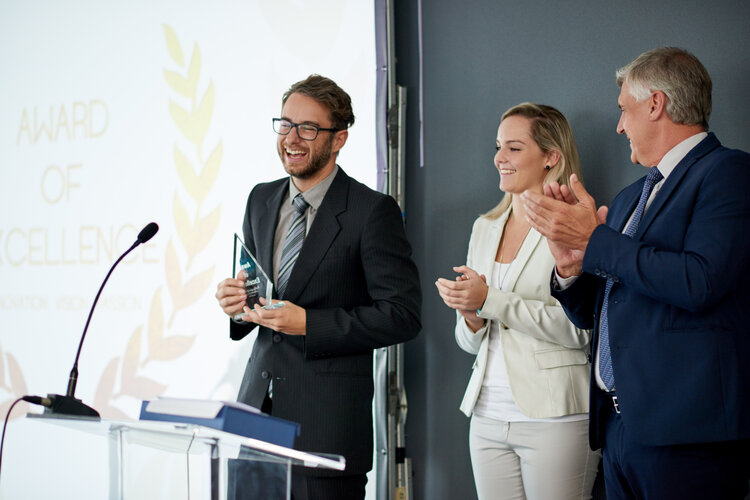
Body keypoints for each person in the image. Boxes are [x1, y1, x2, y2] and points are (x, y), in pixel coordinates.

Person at [522, 47, 750, 499]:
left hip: (688, 439)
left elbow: (700, 281)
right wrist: (571, 269)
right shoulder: (628, 198)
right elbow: (602, 313)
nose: (620, 125)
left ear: (656, 103)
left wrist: (597, 241)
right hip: (619, 432)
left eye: (625, 110)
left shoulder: (730, 172)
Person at [215, 74, 422, 500]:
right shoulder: (260, 199)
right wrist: (237, 303)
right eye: (285, 124)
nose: (292, 138)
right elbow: (257, 293)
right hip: (256, 419)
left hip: (326, 433)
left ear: (339, 137)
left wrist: (309, 323)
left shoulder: (372, 212)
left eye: (307, 128)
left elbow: (403, 316)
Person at [436, 103, 600, 500]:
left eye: (513, 148)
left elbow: (580, 330)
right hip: (487, 415)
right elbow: (470, 341)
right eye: (497, 147)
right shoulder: (484, 227)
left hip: (555, 417)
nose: (498, 158)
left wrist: (490, 299)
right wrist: (470, 315)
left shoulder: (576, 224)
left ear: (551, 157)